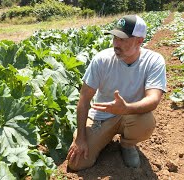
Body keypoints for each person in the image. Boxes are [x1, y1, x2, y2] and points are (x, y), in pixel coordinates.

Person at [66, 14, 167, 171]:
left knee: (146, 122)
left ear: (140, 41)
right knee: (77, 163)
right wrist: (80, 138)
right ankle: (102, 138)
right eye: (115, 38)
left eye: (123, 39)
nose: (116, 44)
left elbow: (153, 99)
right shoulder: (102, 59)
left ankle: (127, 144)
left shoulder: (153, 61)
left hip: (132, 116)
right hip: (101, 117)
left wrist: (126, 108)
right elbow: (84, 99)